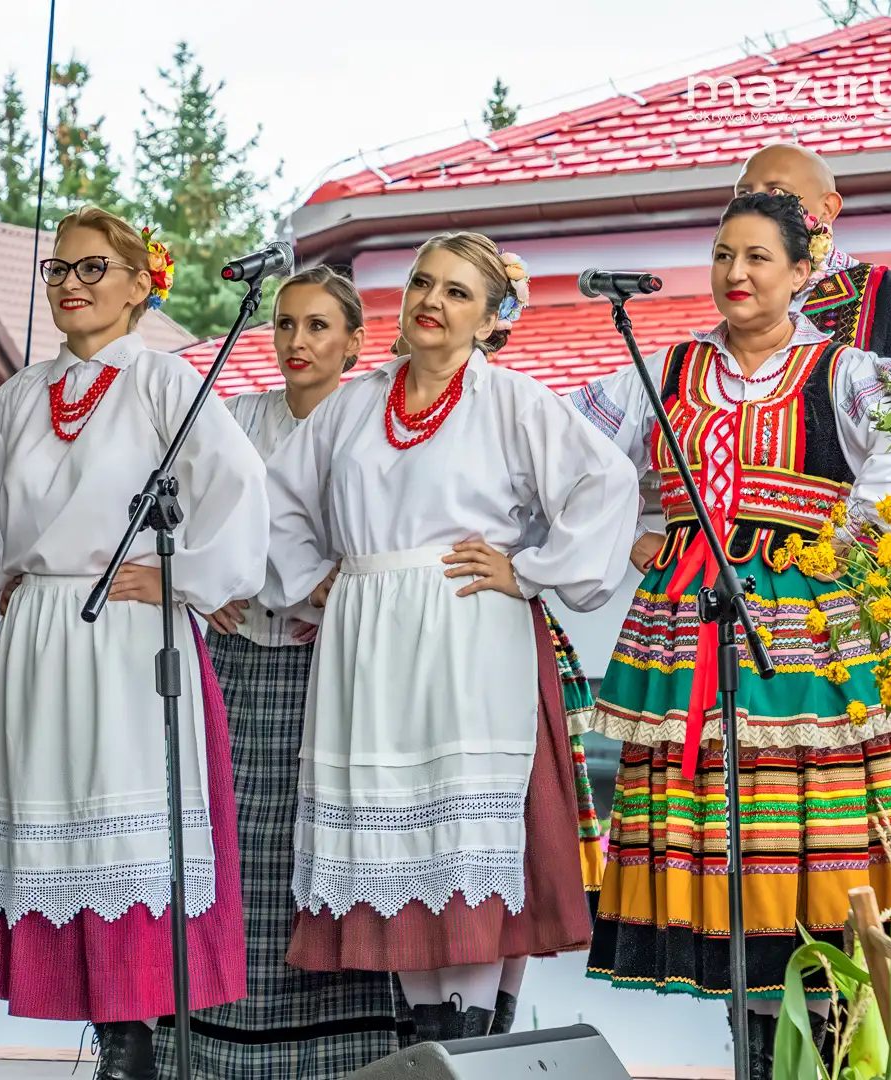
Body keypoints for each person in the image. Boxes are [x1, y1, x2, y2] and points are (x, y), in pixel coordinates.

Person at [574, 192, 891, 1075]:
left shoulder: (846, 373)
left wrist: (843, 538)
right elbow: (565, 455)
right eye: (722, 256)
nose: (735, 274)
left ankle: (838, 1044)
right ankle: (758, 1049)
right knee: (727, 843)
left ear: (803, 272)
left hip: (805, 633)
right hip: (690, 625)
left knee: (818, 835)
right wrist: (628, 534)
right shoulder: (663, 370)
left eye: (757, 258)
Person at [264, 232, 637, 1042]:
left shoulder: (512, 401)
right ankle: (434, 1041)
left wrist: (530, 569)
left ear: (492, 317)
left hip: (469, 631)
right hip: (368, 644)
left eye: (457, 292)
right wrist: (313, 580)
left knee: (461, 838)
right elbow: (278, 498)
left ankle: (471, 1040)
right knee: (397, 850)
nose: (432, 301)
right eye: (422, 283)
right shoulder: (355, 406)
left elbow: (605, 481)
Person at [0, 206, 266, 1080]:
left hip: (129, 632)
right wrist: (1, 593)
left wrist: (179, 578)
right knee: (61, 832)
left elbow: (239, 485)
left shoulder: (162, 380)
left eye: (93, 268)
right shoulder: (17, 398)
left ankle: (134, 1040)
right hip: (42, 635)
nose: (71, 284)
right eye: (59, 269)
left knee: (129, 834)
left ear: (139, 287)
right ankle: (105, 1031)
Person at [149, 266, 403, 1079]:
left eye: (319, 326)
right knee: (223, 838)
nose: (297, 341)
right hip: (234, 658)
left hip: (333, 665)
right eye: (286, 323)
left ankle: (336, 1052)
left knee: (314, 843)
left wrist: (343, 590)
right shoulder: (234, 418)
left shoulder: (372, 423)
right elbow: (175, 512)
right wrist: (204, 584)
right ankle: (207, 1042)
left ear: (355, 342)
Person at [734, 142, 891, 362]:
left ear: (828, 208)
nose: (754, 207)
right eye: (743, 195)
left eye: (778, 193)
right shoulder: (737, 302)